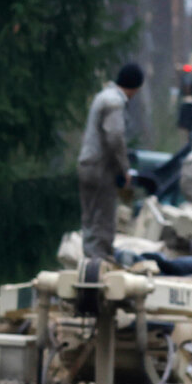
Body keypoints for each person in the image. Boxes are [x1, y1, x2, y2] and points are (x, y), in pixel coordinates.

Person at [77, 63, 144, 261]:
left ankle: (89, 257)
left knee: (90, 217)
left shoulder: (103, 96)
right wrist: (124, 168)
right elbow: (114, 136)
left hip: (88, 163)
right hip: (101, 167)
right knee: (103, 216)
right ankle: (99, 260)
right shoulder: (115, 102)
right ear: (135, 87)